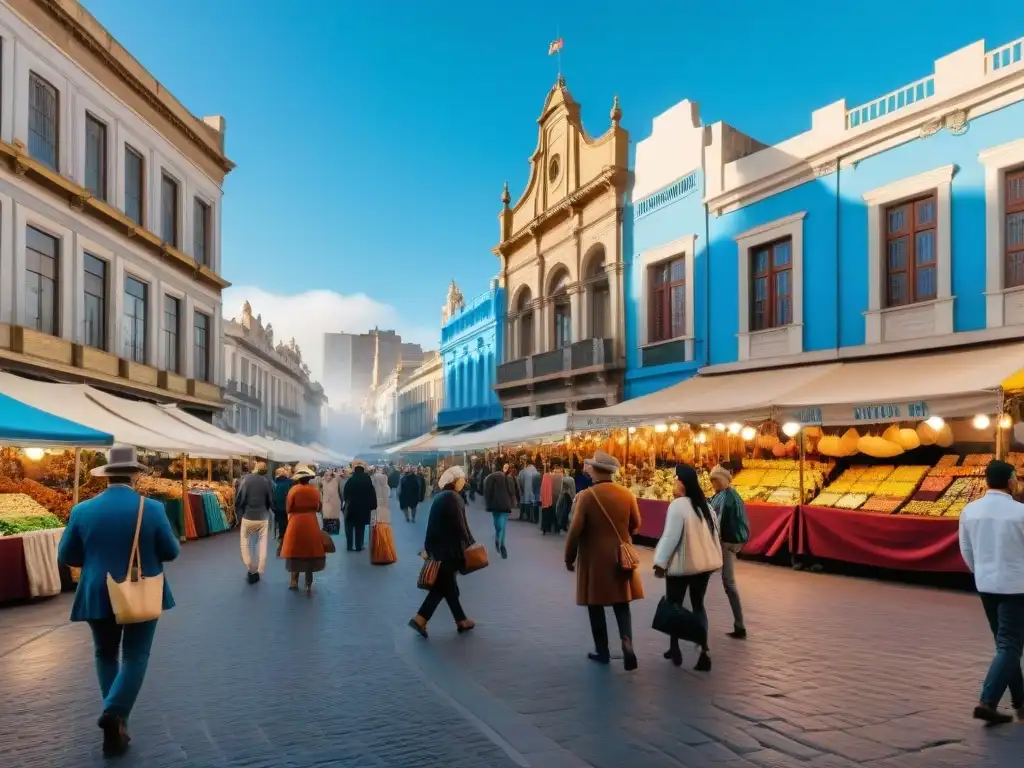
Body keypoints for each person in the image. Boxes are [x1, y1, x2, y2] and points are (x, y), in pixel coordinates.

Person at [56, 444, 180, 756]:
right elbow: (171, 551)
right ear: (136, 475)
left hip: (97, 591)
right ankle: (114, 714)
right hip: (140, 589)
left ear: (106, 476)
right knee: (135, 656)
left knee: (105, 654)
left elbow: (67, 555)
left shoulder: (82, 510)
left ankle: (116, 724)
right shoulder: (151, 509)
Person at [959, 459, 1024, 725]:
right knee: (1010, 646)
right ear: (1011, 481)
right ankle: (987, 701)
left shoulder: (970, 511)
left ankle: (1021, 701)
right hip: (1016, 586)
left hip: (987, 585)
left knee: (1005, 644)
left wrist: (981, 572)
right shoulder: (1020, 512)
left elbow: (966, 550)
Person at [565, 450, 643, 671]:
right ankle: (626, 641)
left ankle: (603, 650)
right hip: (620, 558)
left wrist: (569, 557)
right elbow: (636, 524)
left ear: (597, 470)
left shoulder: (587, 496)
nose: (587, 469)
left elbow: (575, 530)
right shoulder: (627, 494)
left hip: (594, 559)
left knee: (595, 604)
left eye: (590, 467)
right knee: (622, 604)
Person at [653, 464, 722, 672]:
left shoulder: (678, 505)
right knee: (698, 605)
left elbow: (670, 536)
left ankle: (674, 648)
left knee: (674, 604)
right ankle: (704, 651)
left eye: (675, 479)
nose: (673, 482)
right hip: (704, 566)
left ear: (682, 482)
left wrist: (660, 562)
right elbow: (715, 535)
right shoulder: (706, 506)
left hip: (682, 567)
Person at [408, 465, 476, 637]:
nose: (464, 481)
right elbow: (460, 525)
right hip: (448, 551)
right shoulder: (453, 498)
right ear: (454, 481)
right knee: (443, 588)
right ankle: (420, 619)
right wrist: (470, 543)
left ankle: (460, 620)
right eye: (462, 478)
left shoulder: (442, 497)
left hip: (440, 549)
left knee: (447, 587)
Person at [709, 464, 749, 639]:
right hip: (727, 542)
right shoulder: (722, 495)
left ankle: (740, 625)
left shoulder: (729, 497)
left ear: (723, 480)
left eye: (715, 480)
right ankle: (738, 624)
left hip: (727, 542)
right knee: (727, 581)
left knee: (729, 582)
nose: (713, 483)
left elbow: (720, 520)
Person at [280, 465, 327, 592]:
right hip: (311, 522)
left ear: (298, 479)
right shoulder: (315, 490)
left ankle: (294, 581)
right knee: (309, 551)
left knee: (294, 551)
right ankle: (308, 583)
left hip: (295, 523)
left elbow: (288, 508)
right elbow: (319, 507)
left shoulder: (293, 490)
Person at [236, 461, 274, 584]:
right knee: (261, 543)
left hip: (248, 515)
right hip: (262, 516)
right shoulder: (266, 481)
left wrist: (239, 513)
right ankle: (259, 567)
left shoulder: (245, 480)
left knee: (245, 543)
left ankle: (251, 568)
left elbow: (240, 498)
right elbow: (270, 499)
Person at [343, 461, 377, 552]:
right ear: (363, 470)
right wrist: (373, 505)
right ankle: (359, 545)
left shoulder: (351, 480)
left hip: (351, 507)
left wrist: (346, 502)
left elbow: (345, 493)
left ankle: (349, 546)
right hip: (363, 507)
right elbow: (372, 493)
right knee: (360, 527)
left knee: (349, 527)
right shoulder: (367, 479)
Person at [483, 462, 514, 559]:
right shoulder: (508, 478)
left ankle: (499, 540)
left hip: (495, 504)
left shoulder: (489, 478)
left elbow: (486, 492)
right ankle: (501, 543)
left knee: (498, 523)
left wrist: (488, 503)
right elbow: (512, 491)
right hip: (505, 504)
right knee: (503, 524)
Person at [272, 466, 294, 556]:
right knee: (289, 526)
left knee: (281, 528)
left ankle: (282, 548)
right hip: (288, 508)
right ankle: (290, 546)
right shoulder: (290, 482)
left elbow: (271, 497)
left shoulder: (273, 483)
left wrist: (273, 508)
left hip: (278, 509)